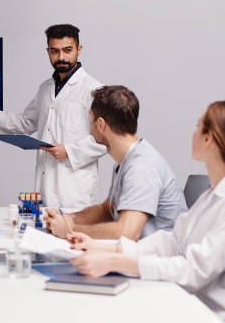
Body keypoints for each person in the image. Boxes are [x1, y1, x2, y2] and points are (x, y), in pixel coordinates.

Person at [67, 99, 225, 322]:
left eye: (198, 125)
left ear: (208, 139)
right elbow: (173, 242)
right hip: (180, 298)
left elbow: (192, 271)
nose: (193, 132)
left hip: (202, 312)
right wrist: (109, 249)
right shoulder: (214, 193)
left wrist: (113, 262)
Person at [0, 24, 106, 210]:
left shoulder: (93, 90)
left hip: (75, 190)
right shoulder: (45, 89)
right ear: (48, 52)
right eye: (55, 51)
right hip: (45, 184)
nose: (61, 57)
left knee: (72, 238)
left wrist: (70, 151)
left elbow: (106, 140)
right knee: (44, 233)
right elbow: (26, 122)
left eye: (67, 50)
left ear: (79, 49)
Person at [45, 86, 187, 240]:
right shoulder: (126, 160)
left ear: (101, 124)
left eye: (90, 119)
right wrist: (68, 218)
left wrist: (70, 230)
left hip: (157, 259)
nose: (89, 126)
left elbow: (128, 233)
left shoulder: (142, 167)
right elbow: (106, 211)